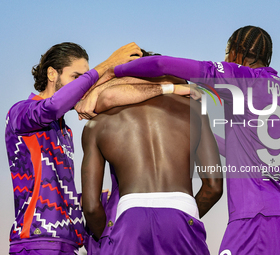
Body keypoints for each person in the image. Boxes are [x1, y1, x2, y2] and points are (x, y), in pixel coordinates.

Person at [108, 25, 280, 255]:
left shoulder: (241, 78)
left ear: (236, 52)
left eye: (226, 52)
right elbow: (247, 149)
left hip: (258, 217)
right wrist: (200, 139)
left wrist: (115, 69)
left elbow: (161, 64)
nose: (225, 58)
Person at [5, 41, 183, 254]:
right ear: (52, 74)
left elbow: (54, 188)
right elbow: (51, 107)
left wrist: (92, 199)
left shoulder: (64, 130)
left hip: (67, 245)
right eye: (76, 77)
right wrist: (107, 65)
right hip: (37, 241)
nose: (83, 87)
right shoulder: (20, 113)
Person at [81, 93, 223, 254]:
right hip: (181, 209)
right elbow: (214, 187)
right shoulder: (194, 109)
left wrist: (109, 238)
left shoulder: (98, 123)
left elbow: (91, 208)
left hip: (130, 215)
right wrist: (181, 215)